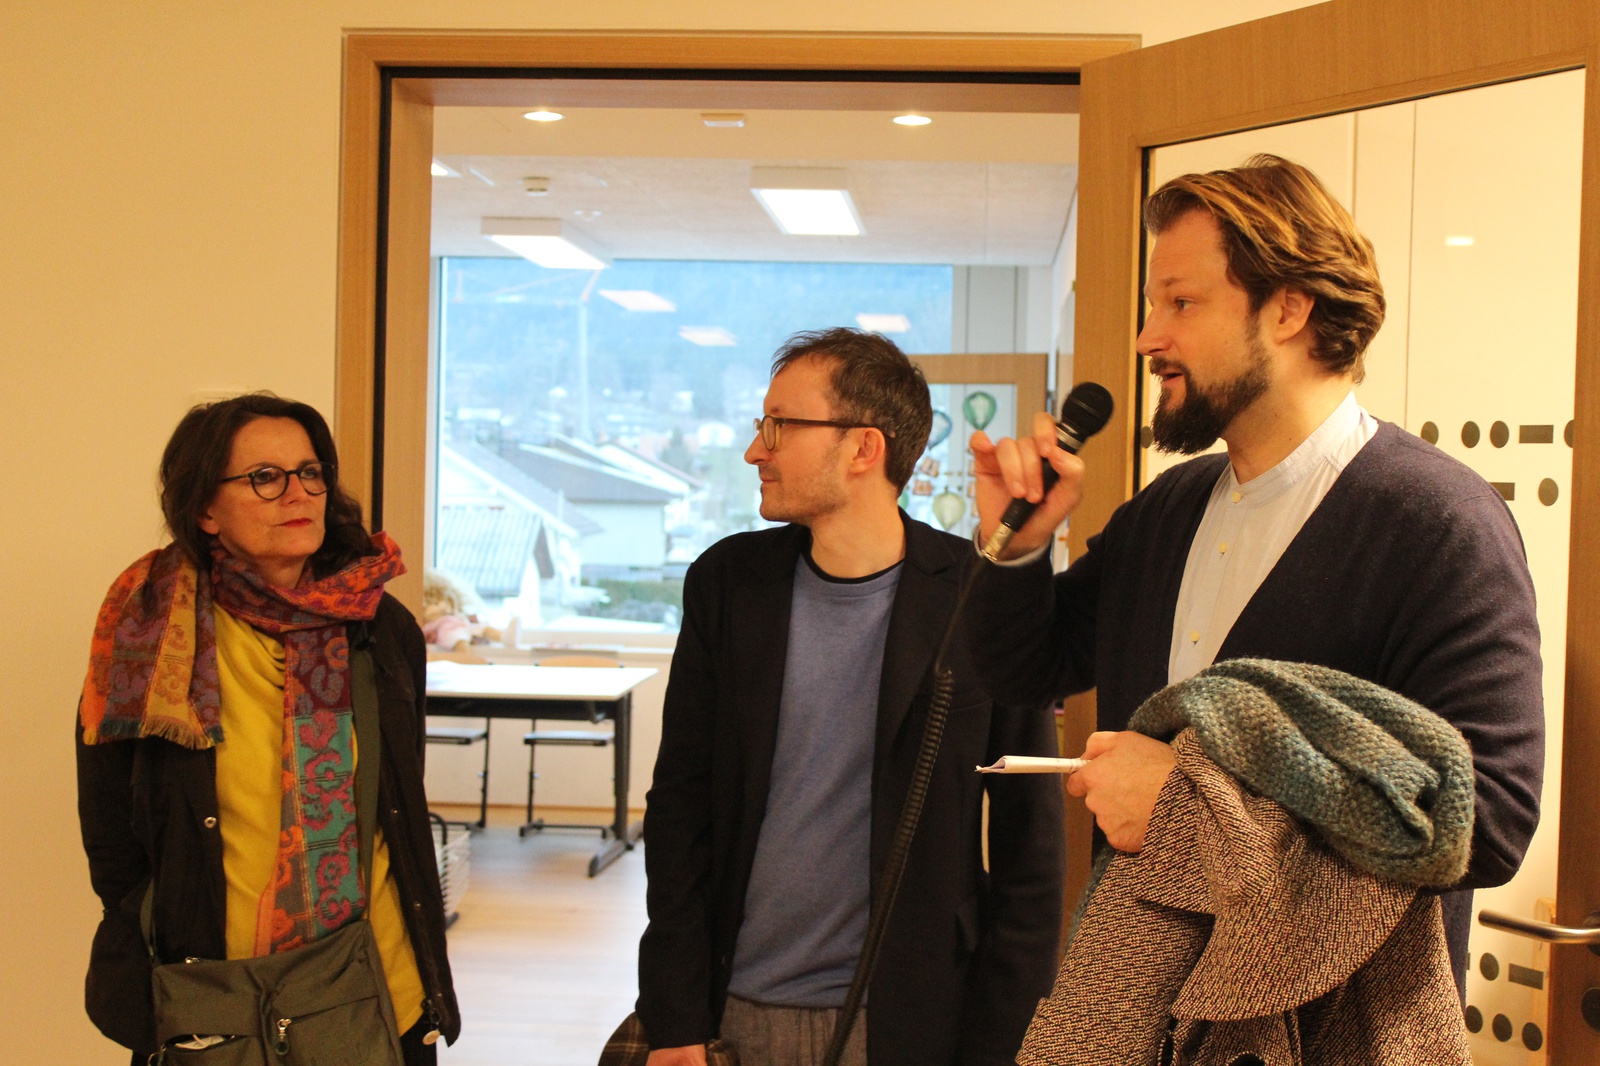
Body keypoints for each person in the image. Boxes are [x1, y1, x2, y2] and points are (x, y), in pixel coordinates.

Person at [965, 154, 1544, 991]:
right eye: (1152, 306)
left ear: (1288, 310)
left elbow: (1487, 821)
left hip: (1329, 1025)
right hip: (1147, 1010)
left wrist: (1187, 807)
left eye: (1181, 303)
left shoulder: (1437, 524)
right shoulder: (1167, 512)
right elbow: (1023, 667)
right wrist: (1017, 545)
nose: (1147, 338)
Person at [637, 328, 1065, 1066]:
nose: (756, 451)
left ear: (864, 448)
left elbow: (1033, 849)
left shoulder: (981, 597)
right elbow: (680, 807)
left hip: (912, 1016)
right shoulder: (728, 584)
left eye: (780, 426)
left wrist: (1001, 1043)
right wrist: (674, 1017)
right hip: (733, 1007)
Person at [76, 393, 460, 1064]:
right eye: (264, 477)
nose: (298, 493)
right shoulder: (149, 625)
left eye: (310, 472)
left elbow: (396, 799)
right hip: (214, 997)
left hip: (374, 988)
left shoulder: (380, 624)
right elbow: (110, 824)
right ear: (205, 510)